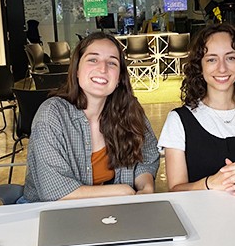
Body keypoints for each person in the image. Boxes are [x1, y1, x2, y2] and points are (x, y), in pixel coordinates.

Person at [22, 32, 159, 202]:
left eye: (112, 63)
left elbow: (147, 156)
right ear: (77, 69)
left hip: (111, 211)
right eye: (93, 59)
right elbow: (55, 192)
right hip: (50, 213)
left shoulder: (130, 111)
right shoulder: (52, 115)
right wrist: (123, 191)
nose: (103, 69)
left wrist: (146, 188)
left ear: (119, 78)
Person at [159, 23, 235, 193]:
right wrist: (212, 182)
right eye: (211, 59)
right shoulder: (178, 120)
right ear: (199, 66)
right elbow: (176, 189)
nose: (222, 68)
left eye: (230, 57)